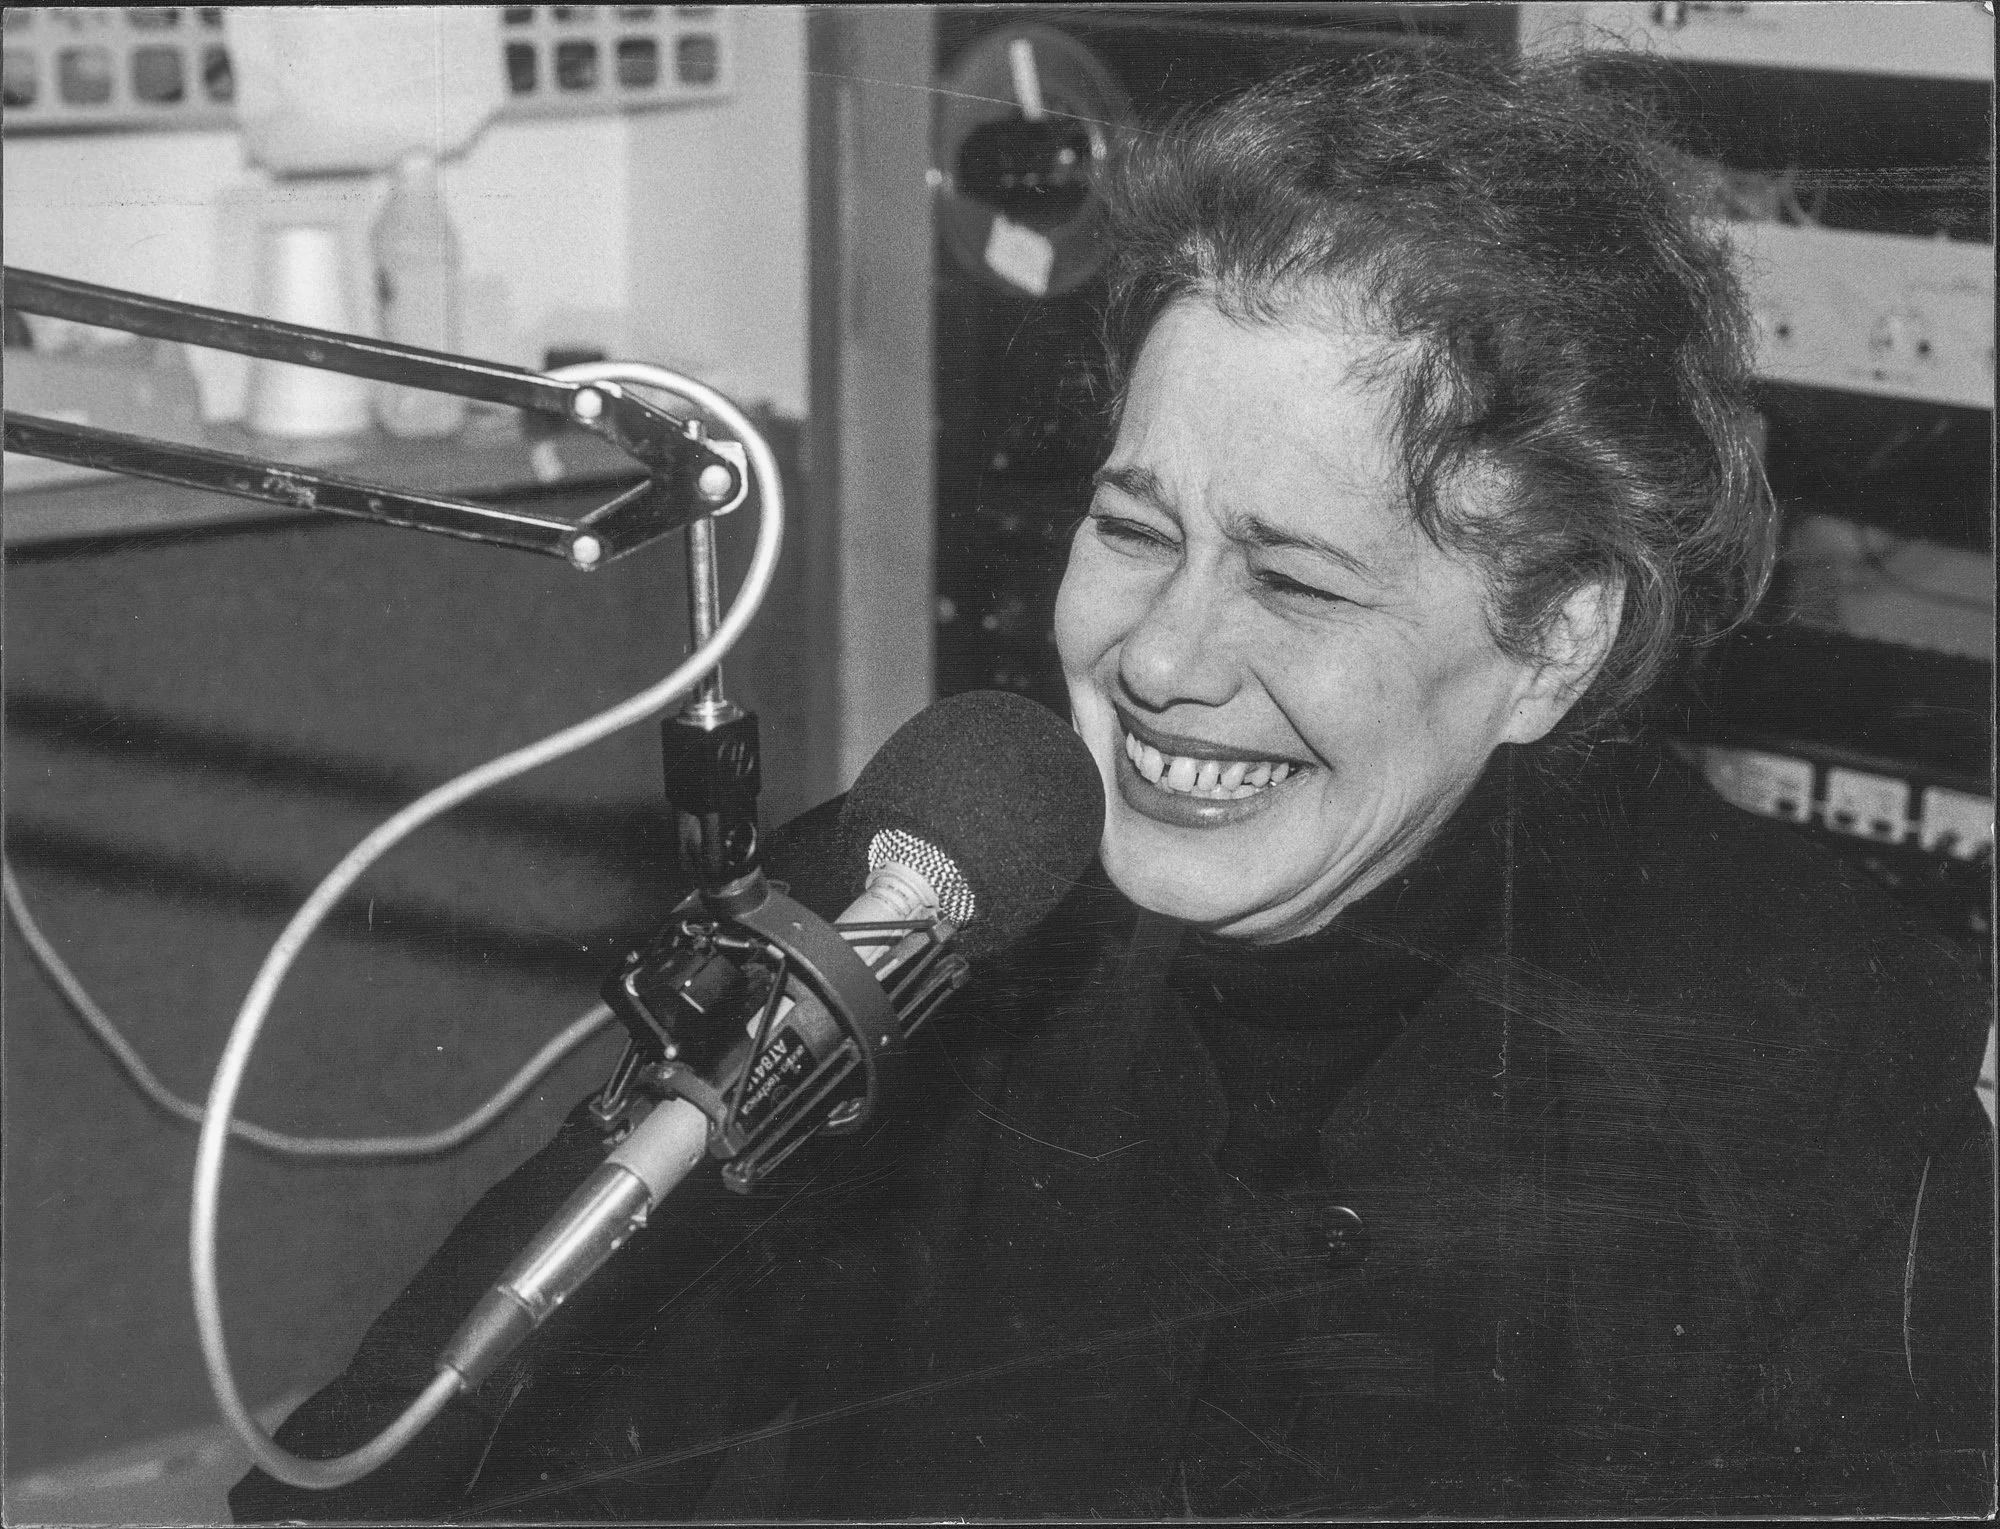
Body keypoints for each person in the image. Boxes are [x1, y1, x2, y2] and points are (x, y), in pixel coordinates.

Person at [233, 46, 1992, 1521]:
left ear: (1553, 642)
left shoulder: (1792, 1083)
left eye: (1295, 581)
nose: (1161, 658)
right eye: (1135, 530)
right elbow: (431, 1453)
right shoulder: (922, 896)